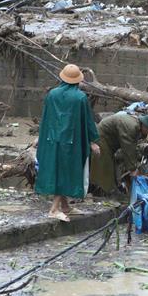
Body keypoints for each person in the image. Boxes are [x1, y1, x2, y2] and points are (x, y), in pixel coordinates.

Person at [34, 64, 101, 221]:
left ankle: (65, 206)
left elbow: (46, 118)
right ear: (78, 81)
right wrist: (93, 140)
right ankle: (53, 209)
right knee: (64, 173)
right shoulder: (80, 98)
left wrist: (41, 137)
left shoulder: (52, 94)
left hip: (51, 139)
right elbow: (87, 121)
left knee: (56, 170)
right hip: (70, 142)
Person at [90, 112, 148, 195]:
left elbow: (132, 147)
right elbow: (128, 149)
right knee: (105, 167)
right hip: (102, 138)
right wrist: (133, 169)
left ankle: (106, 190)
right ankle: (104, 193)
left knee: (110, 167)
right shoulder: (131, 127)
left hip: (109, 142)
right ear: (145, 125)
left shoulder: (136, 126)